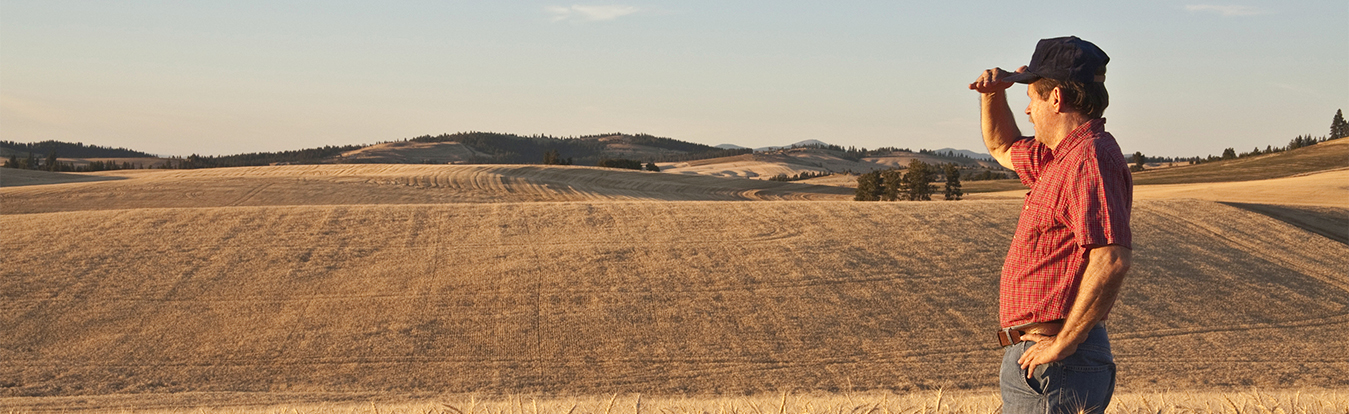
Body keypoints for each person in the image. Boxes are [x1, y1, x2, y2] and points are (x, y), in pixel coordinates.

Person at [967, 36, 1133, 414]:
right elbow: (1003, 148)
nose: (1027, 111)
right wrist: (993, 94)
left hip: (1057, 363)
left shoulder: (1089, 159)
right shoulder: (1057, 160)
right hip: (1043, 361)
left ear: (1056, 98)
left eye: (1033, 99)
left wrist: (1064, 344)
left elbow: (1111, 260)